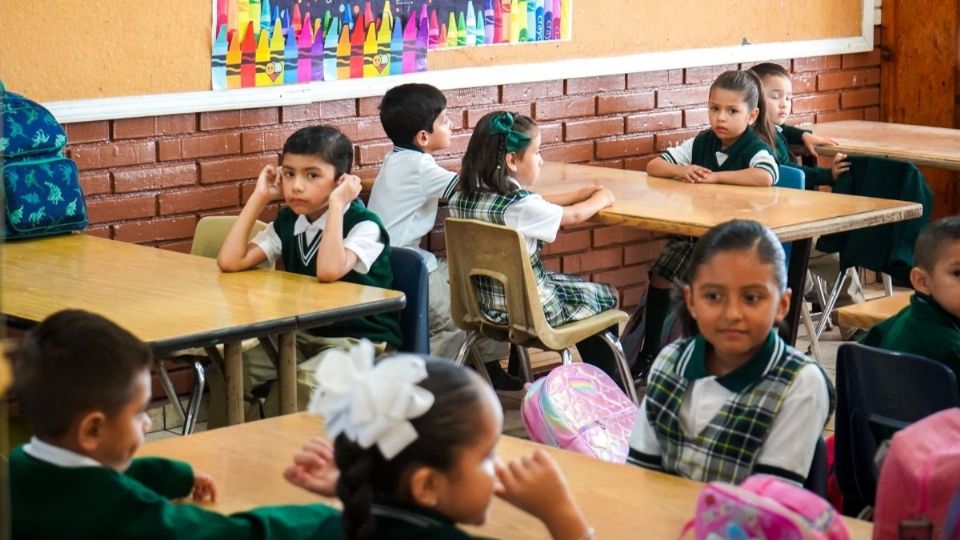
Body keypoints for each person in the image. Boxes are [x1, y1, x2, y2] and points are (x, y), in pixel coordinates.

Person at [10, 309, 338, 539]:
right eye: (139, 413)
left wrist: (175, 476)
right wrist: (330, 517)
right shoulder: (125, 513)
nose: (148, 422)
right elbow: (236, 534)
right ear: (93, 430)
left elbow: (83, 480)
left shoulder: (19, 465)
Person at [286, 343, 596, 539]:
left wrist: (365, 484)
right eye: (487, 455)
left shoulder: (326, 528)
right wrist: (562, 515)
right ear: (427, 486)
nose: (500, 465)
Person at [628, 220, 835, 484]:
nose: (732, 314)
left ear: (782, 305)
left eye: (751, 298)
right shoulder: (670, 361)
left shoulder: (799, 383)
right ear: (692, 301)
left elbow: (769, 505)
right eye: (714, 296)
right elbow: (640, 473)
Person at [216, 125, 401, 418]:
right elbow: (230, 261)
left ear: (340, 182)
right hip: (301, 336)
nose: (296, 186)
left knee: (299, 384)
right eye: (289, 174)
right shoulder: (289, 222)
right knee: (230, 367)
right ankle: (231, 454)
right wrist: (259, 197)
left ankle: (277, 456)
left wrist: (338, 204)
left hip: (357, 341)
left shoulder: (365, 226)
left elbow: (328, 271)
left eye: (311, 175)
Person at [447, 110, 626, 384]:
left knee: (570, 286)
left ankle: (528, 373)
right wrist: (602, 198)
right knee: (605, 295)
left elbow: (535, 203)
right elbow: (575, 216)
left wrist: (575, 195)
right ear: (512, 160)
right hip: (534, 311)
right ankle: (608, 389)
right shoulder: (521, 206)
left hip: (482, 308)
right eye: (537, 152)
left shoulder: (461, 197)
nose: (541, 160)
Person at [367, 83, 512, 388]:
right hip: (403, 264)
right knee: (459, 315)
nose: (452, 125)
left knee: (471, 279)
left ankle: (488, 365)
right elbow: (471, 189)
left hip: (388, 260)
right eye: (445, 121)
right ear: (423, 137)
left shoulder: (398, 158)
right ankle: (427, 385)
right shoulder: (420, 167)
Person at [638, 70, 782, 375]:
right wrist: (681, 171)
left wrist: (716, 177)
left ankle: (705, 355)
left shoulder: (754, 148)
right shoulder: (701, 142)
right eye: (714, 108)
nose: (721, 118)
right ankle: (650, 351)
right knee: (661, 274)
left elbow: (766, 176)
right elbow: (654, 165)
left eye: (732, 111)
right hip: (695, 236)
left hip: (737, 244)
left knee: (707, 288)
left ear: (752, 115)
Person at [861, 216, 960, 390]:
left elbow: (859, 356)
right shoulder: (953, 348)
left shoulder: (898, 320)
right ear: (922, 281)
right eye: (958, 273)